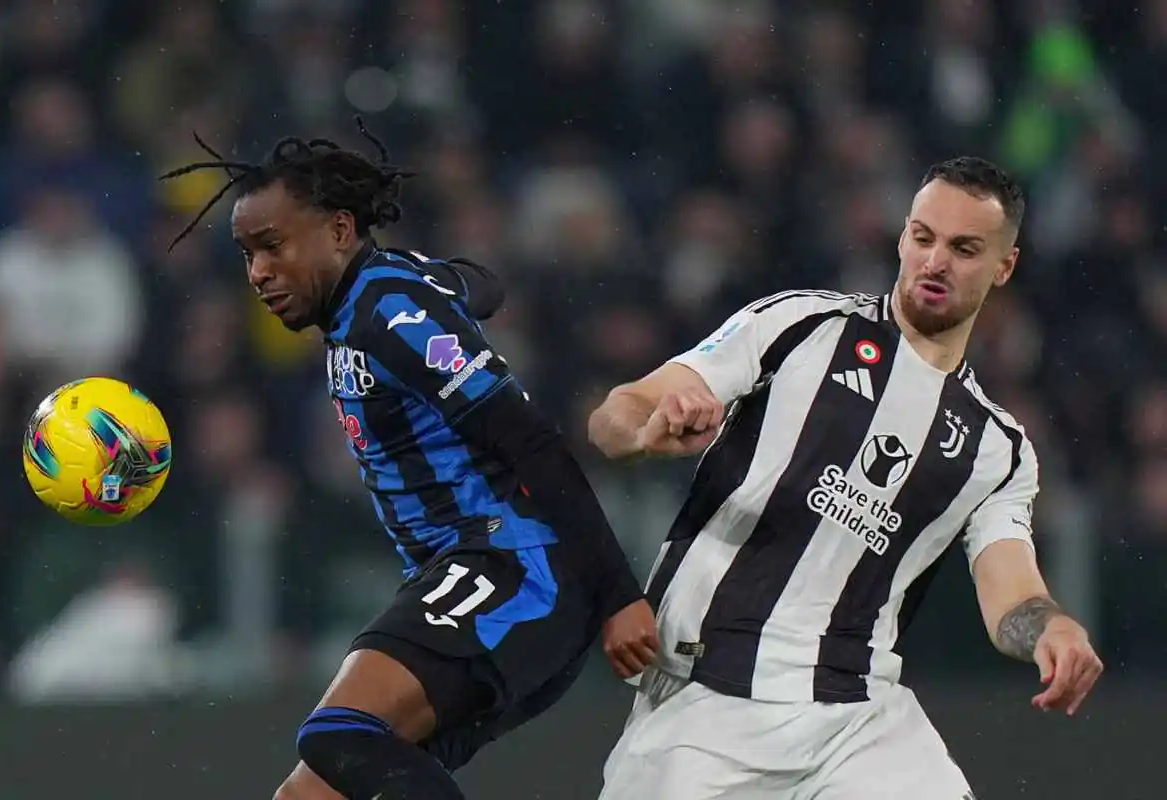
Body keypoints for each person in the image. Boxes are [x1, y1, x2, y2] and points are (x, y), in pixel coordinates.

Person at [161, 121, 658, 800]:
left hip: (515, 570)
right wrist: (445, 279)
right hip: (469, 578)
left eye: (272, 247)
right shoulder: (378, 300)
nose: (259, 274)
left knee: (335, 733)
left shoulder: (388, 316)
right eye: (247, 255)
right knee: (306, 797)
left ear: (339, 231)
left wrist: (620, 595)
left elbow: (531, 441)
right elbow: (485, 287)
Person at [586, 156, 1104, 799]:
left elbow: (1011, 594)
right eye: (923, 238)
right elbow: (619, 411)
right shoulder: (800, 326)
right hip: (703, 702)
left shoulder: (996, 451)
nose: (935, 262)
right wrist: (644, 433)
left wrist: (1051, 627)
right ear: (903, 237)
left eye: (964, 248)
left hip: (855, 719)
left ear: (1005, 266)